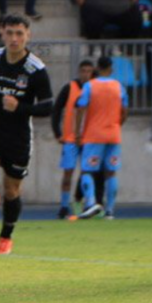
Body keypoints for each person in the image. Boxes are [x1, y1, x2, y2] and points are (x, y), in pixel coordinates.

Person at [0, 14, 53, 253]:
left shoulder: (35, 69)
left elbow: (48, 106)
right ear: (1, 33)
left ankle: (6, 235)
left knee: (11, 190)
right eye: (9, 33)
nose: (14, 38)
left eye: (19, 33)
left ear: (28, 35)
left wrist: (21, 108)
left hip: (18, 138)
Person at [74, 55, 127, 219]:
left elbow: (80, 108)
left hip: (94, 134)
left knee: (87, 171)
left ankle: (90, 203)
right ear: (111, 69)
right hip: (113, 134)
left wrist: (77, 132)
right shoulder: (119, 87)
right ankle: (110, 210)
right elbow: (124, 111)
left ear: (97, 68)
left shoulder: (90, 86)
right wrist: (117, 124)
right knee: (111, 173)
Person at [52, 60, 95, 219]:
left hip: (89, 139)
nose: (86, 74)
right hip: (70, 139)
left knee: (86, 172)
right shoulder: (69, 88)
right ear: (79, 72)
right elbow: (56, 109)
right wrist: (57, 132)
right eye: (83, 71)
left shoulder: (95, 88)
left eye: (89, 71)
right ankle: (64, 205)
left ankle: (89, 205)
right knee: (68, 173)